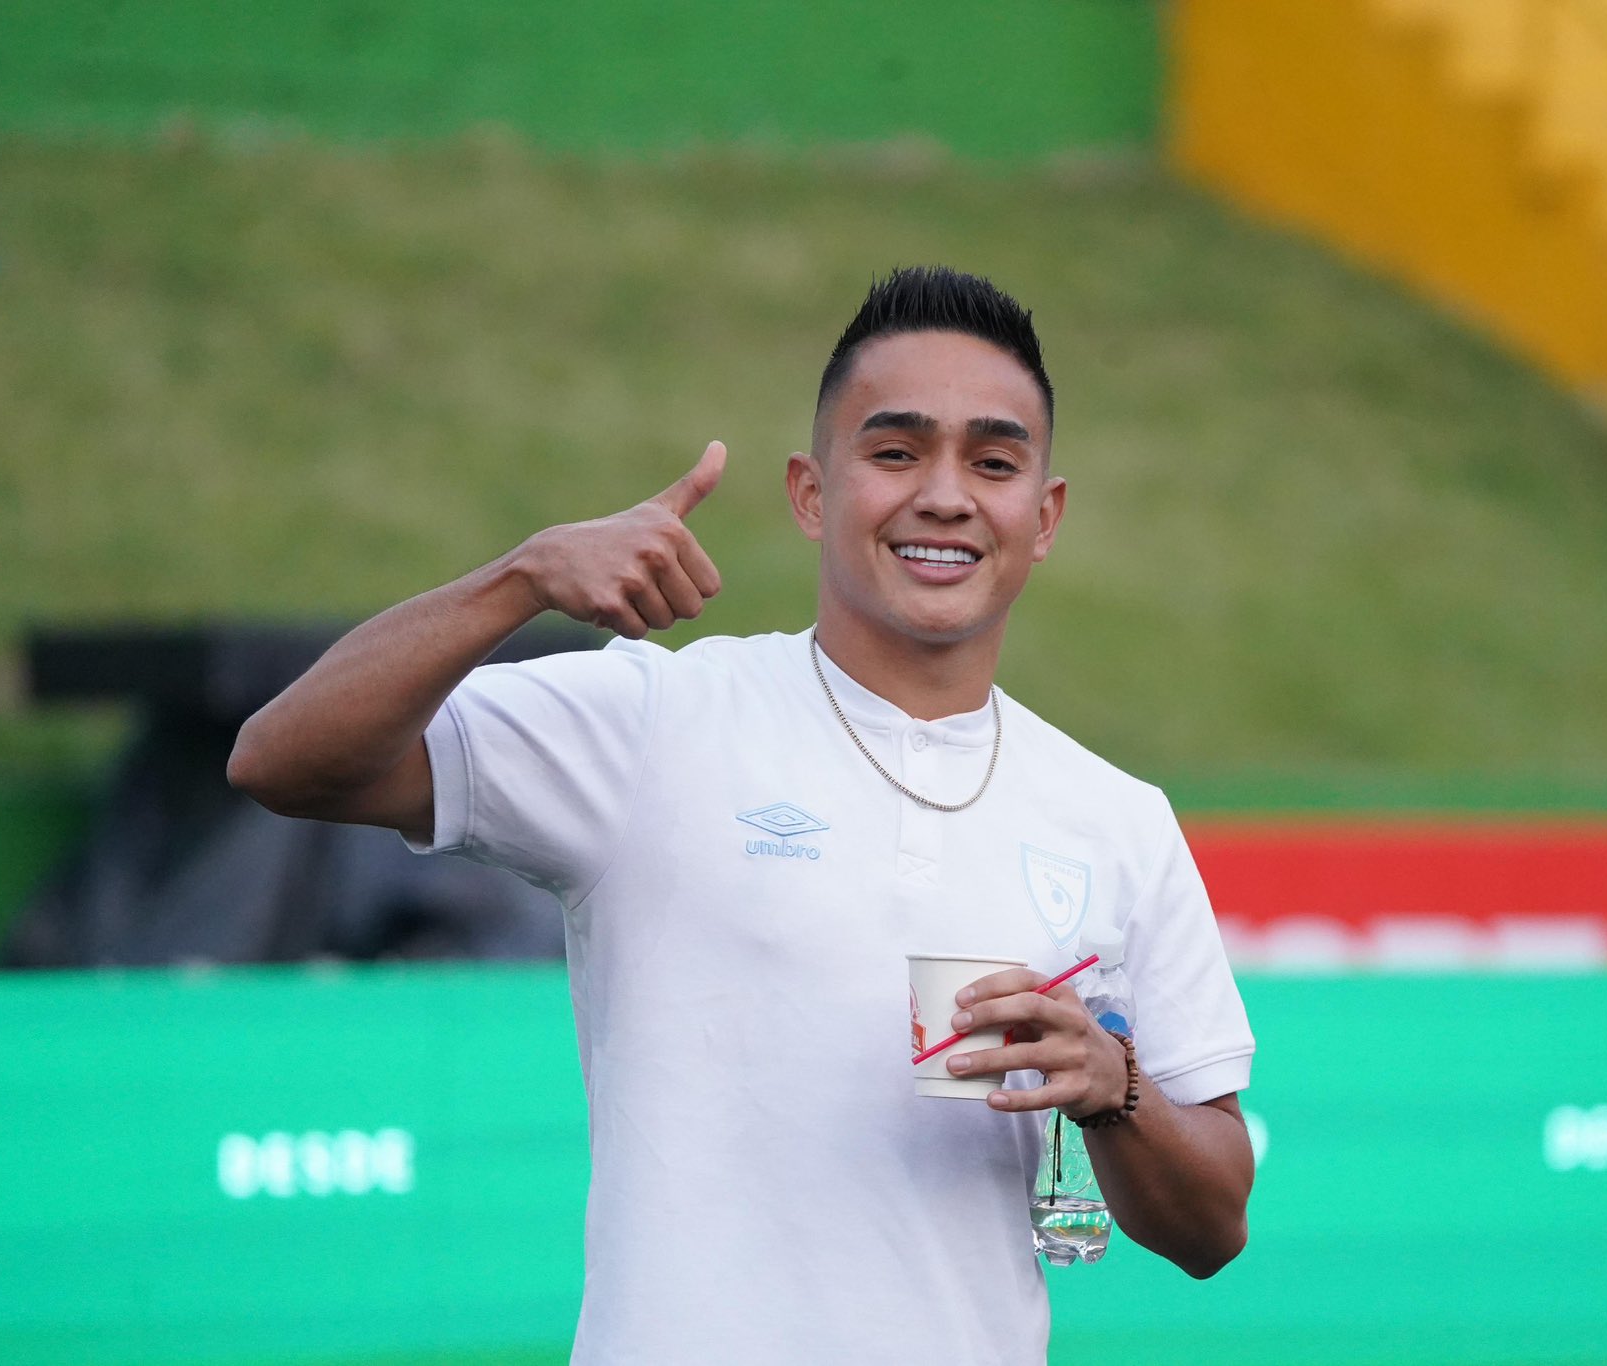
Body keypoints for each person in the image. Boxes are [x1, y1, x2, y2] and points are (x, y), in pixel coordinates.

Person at [229, 266, 1255, 1364]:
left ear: (1041, 516)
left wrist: (1115, 1090)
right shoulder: (654, 716)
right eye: (895, 451)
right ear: (812, 492)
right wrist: (521, 579)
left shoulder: (1114, 816)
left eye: (992, 461)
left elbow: (1212, 1226)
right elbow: (283, 760)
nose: (945, 496)